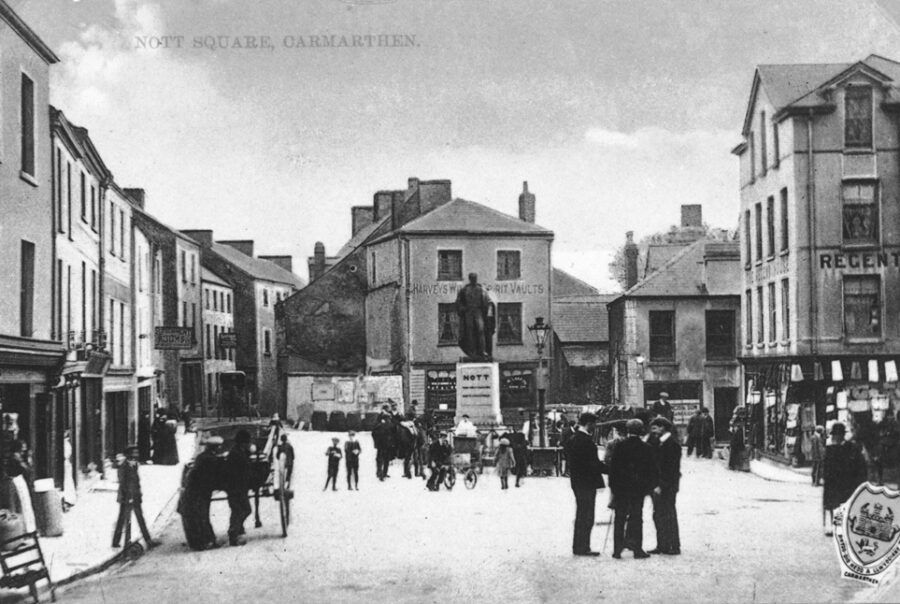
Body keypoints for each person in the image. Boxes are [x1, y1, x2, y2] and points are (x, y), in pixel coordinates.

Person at [609, 419, 658, 559]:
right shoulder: (646, 448)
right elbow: (652, 471)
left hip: (621, 489)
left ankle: (617, 550)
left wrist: (614, 488)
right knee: (637, 517)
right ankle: (637, 550)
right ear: (641, 430)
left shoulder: (620, 446)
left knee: (619, 518)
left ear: (628, 430)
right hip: (638, 490)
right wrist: (648, 488)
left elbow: (613, 469)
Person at [565, 412, 607, 556]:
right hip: (587, 483)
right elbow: (593, 464)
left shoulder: (573, 439)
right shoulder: (586, 441)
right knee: (587, 515)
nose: (595, 427)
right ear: (589, 423)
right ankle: (583, 547)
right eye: (594, 424)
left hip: (578, 482)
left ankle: (579, 546)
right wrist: (612, 469)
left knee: (582, 513)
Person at [179, 436, 223, 550]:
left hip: (195, 490)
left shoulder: (202, 456)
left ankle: (203, 541)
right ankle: (205, 541)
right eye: (219, 447)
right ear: (216, 447)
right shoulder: (210, 459)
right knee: (201, 515)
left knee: (199, 515)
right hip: (198, 491)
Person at [823, 422, 867, 536]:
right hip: (833, 481)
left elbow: (860, 466)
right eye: (834, 435)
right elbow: (826, 466)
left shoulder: (852, 448)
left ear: (841, 435)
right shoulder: (830, 449)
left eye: (836, 435)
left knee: (845, 504)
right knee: (833, 504)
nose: (834, 437)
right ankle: (834, 526)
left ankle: (845, 527)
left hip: (847, 482)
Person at [112, 445, 158, 549]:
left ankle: (148, 540)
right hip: (126, 497)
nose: (136, 455)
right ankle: (116, 542)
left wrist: (138, 494)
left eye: (137, 453)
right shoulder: (123, 466)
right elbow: (123, 483)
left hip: (136, 496)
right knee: (122, 520)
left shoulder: (135, 465)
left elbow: (136, 482)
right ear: (128, 455)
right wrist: (129, 497)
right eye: (134, 453)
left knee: (140, 518)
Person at [649, 417, 681, 556]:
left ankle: (673, 545)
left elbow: (670, 469)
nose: (653, 431)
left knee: (668, 514)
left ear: (662, 427)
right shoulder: (660, 442)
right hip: (659, 485)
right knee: (659, 514)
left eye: (655, 427)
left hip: (667, 486)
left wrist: (661, 485)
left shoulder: (671, 444)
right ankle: (662, 544)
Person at [225, 429, 253, 546]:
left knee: (237, 510)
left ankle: (237, 530)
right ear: (243, 443)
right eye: (247, 443)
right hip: (236, 488)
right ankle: (233, 534)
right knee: (244, 510)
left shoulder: (238, 451)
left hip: (237, 487)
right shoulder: (237, 454)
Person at [372, 416, 395, 480]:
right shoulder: (390, 426)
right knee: (384, 460)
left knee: (381, 460)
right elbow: (394, 435)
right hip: (385, 445)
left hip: (382, 446)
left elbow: (373, 434)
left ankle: (381, 473)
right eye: (388, 419)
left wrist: (376, 442)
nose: (389, 420)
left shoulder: (379, 426)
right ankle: (382, 473)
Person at [63, 429, 77, 510]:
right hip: (66, 464)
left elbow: (66, 455)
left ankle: (68, 499)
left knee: (67, 481)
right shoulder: (66, 444)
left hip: (66, 464)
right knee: (67, 481)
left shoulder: (66, 444)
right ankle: (68, 499)